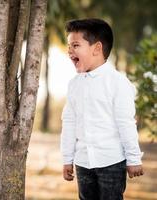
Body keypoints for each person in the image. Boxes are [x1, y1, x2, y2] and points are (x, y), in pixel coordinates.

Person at [60, 18, 144, 200]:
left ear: (97, 48)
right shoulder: (74, 85)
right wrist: (67, 158)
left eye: (75, 45)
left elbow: (126, 123)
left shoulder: (118, 83)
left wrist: (134, 158)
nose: (69, 51)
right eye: (69, 46)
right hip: (83, 162)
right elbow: (69, 122)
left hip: (111, 161)